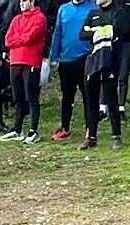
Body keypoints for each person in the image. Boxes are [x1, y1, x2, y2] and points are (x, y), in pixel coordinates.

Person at [0, 0, 45, 143]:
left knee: (31, 97)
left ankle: (33, 131)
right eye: (20, 1)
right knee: (17, 97)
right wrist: (21, 39)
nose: (21, 3)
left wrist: (18, 39)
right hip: (15, 62)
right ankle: (17, 129)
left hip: (31, 61)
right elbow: (8, 40)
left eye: (24, 1)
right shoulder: (16, 19)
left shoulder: (40, 18)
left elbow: (30, 37)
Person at [78, 0, 121, 149]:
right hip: (93, 59)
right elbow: (82, 34)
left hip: (110, 59)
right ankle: (91, 137)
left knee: (111, 98)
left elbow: (117, 30)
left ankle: (116, 136)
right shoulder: (92, 13)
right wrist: (100, 30)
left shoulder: (116, 12)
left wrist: (95, 30)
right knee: (91, 99)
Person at [47, 0, 91, 140]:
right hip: (66, 59)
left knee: (88, 94)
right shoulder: (63, 9)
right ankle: (65, 128)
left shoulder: (93, 7)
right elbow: (58, 32)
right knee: (67, 96)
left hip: (86, 57)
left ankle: (90, 128)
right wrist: (53, 56)